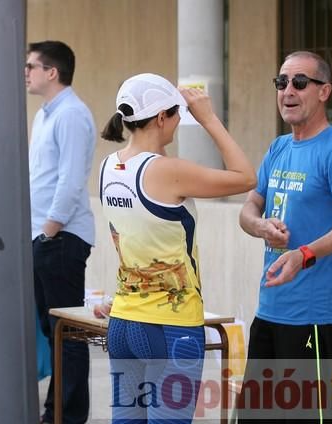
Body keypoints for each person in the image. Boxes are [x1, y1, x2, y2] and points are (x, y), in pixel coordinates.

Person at [99, 73, 256, 422]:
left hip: (124, 321)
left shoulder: (109, 166)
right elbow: (246, 177)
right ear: (160, 118)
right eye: (175, 116)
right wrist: (209, 118)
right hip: (171, 327)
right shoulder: (169, 171)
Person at [237, 51, 332, 423]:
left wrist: (304, 254)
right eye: (282, 83)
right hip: (270, 310)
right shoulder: (279, 148)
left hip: (313, 316)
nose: (288, 91)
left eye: (300, 82)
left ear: (324, 91)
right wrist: (260, 225)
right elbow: (248, 209)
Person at [26, 40, 96, 424]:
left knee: (66, 333)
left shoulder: (71, 114)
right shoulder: (45, 115)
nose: (26, 73)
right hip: (43, 237)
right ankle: (56, 413)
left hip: (61, 239)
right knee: (53, 330)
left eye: (31, 66)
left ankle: (67, 416)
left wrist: (49, 231)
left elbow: (71, 180)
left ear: (52, 72)